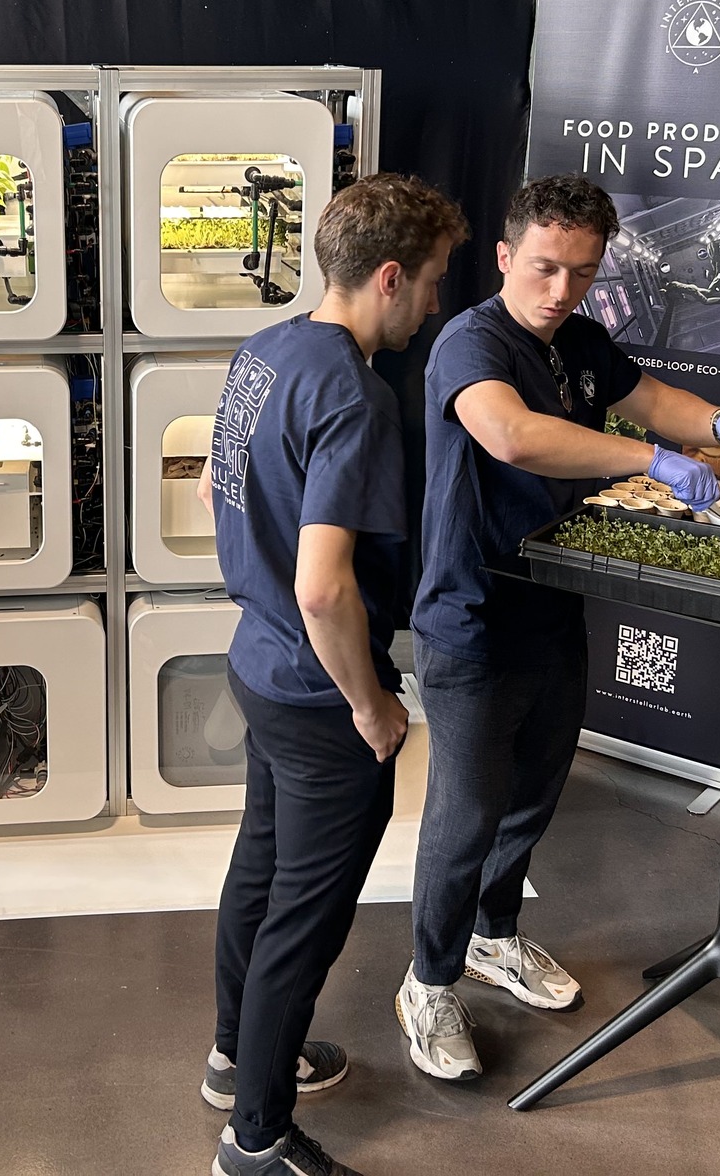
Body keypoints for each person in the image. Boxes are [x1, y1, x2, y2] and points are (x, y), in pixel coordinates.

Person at [396, 174, 720, 1080]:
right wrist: (656, 461)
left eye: (580, 271)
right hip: (471, 618)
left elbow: (650, 397)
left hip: (553, 606)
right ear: (503, 257)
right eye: (543, 268)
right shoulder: (469, 343)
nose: (560, 289)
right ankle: (427, 980)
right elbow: (514, 437)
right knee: (465, 813)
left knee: (532, 795)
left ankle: (494, 936)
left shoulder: (580, 339)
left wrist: (717, 420)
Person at [205, 173, 470, 1176]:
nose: (435, 303)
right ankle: (257, 1140)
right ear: (389, 279)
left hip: (257, 667)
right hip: (319, 696)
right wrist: (371, 707)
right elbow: (325, 590)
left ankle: (236, 1058)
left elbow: (212, 484)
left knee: (259, 872)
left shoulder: (263, 352)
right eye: (434, 282)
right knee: (301, 923)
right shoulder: (354, 397)